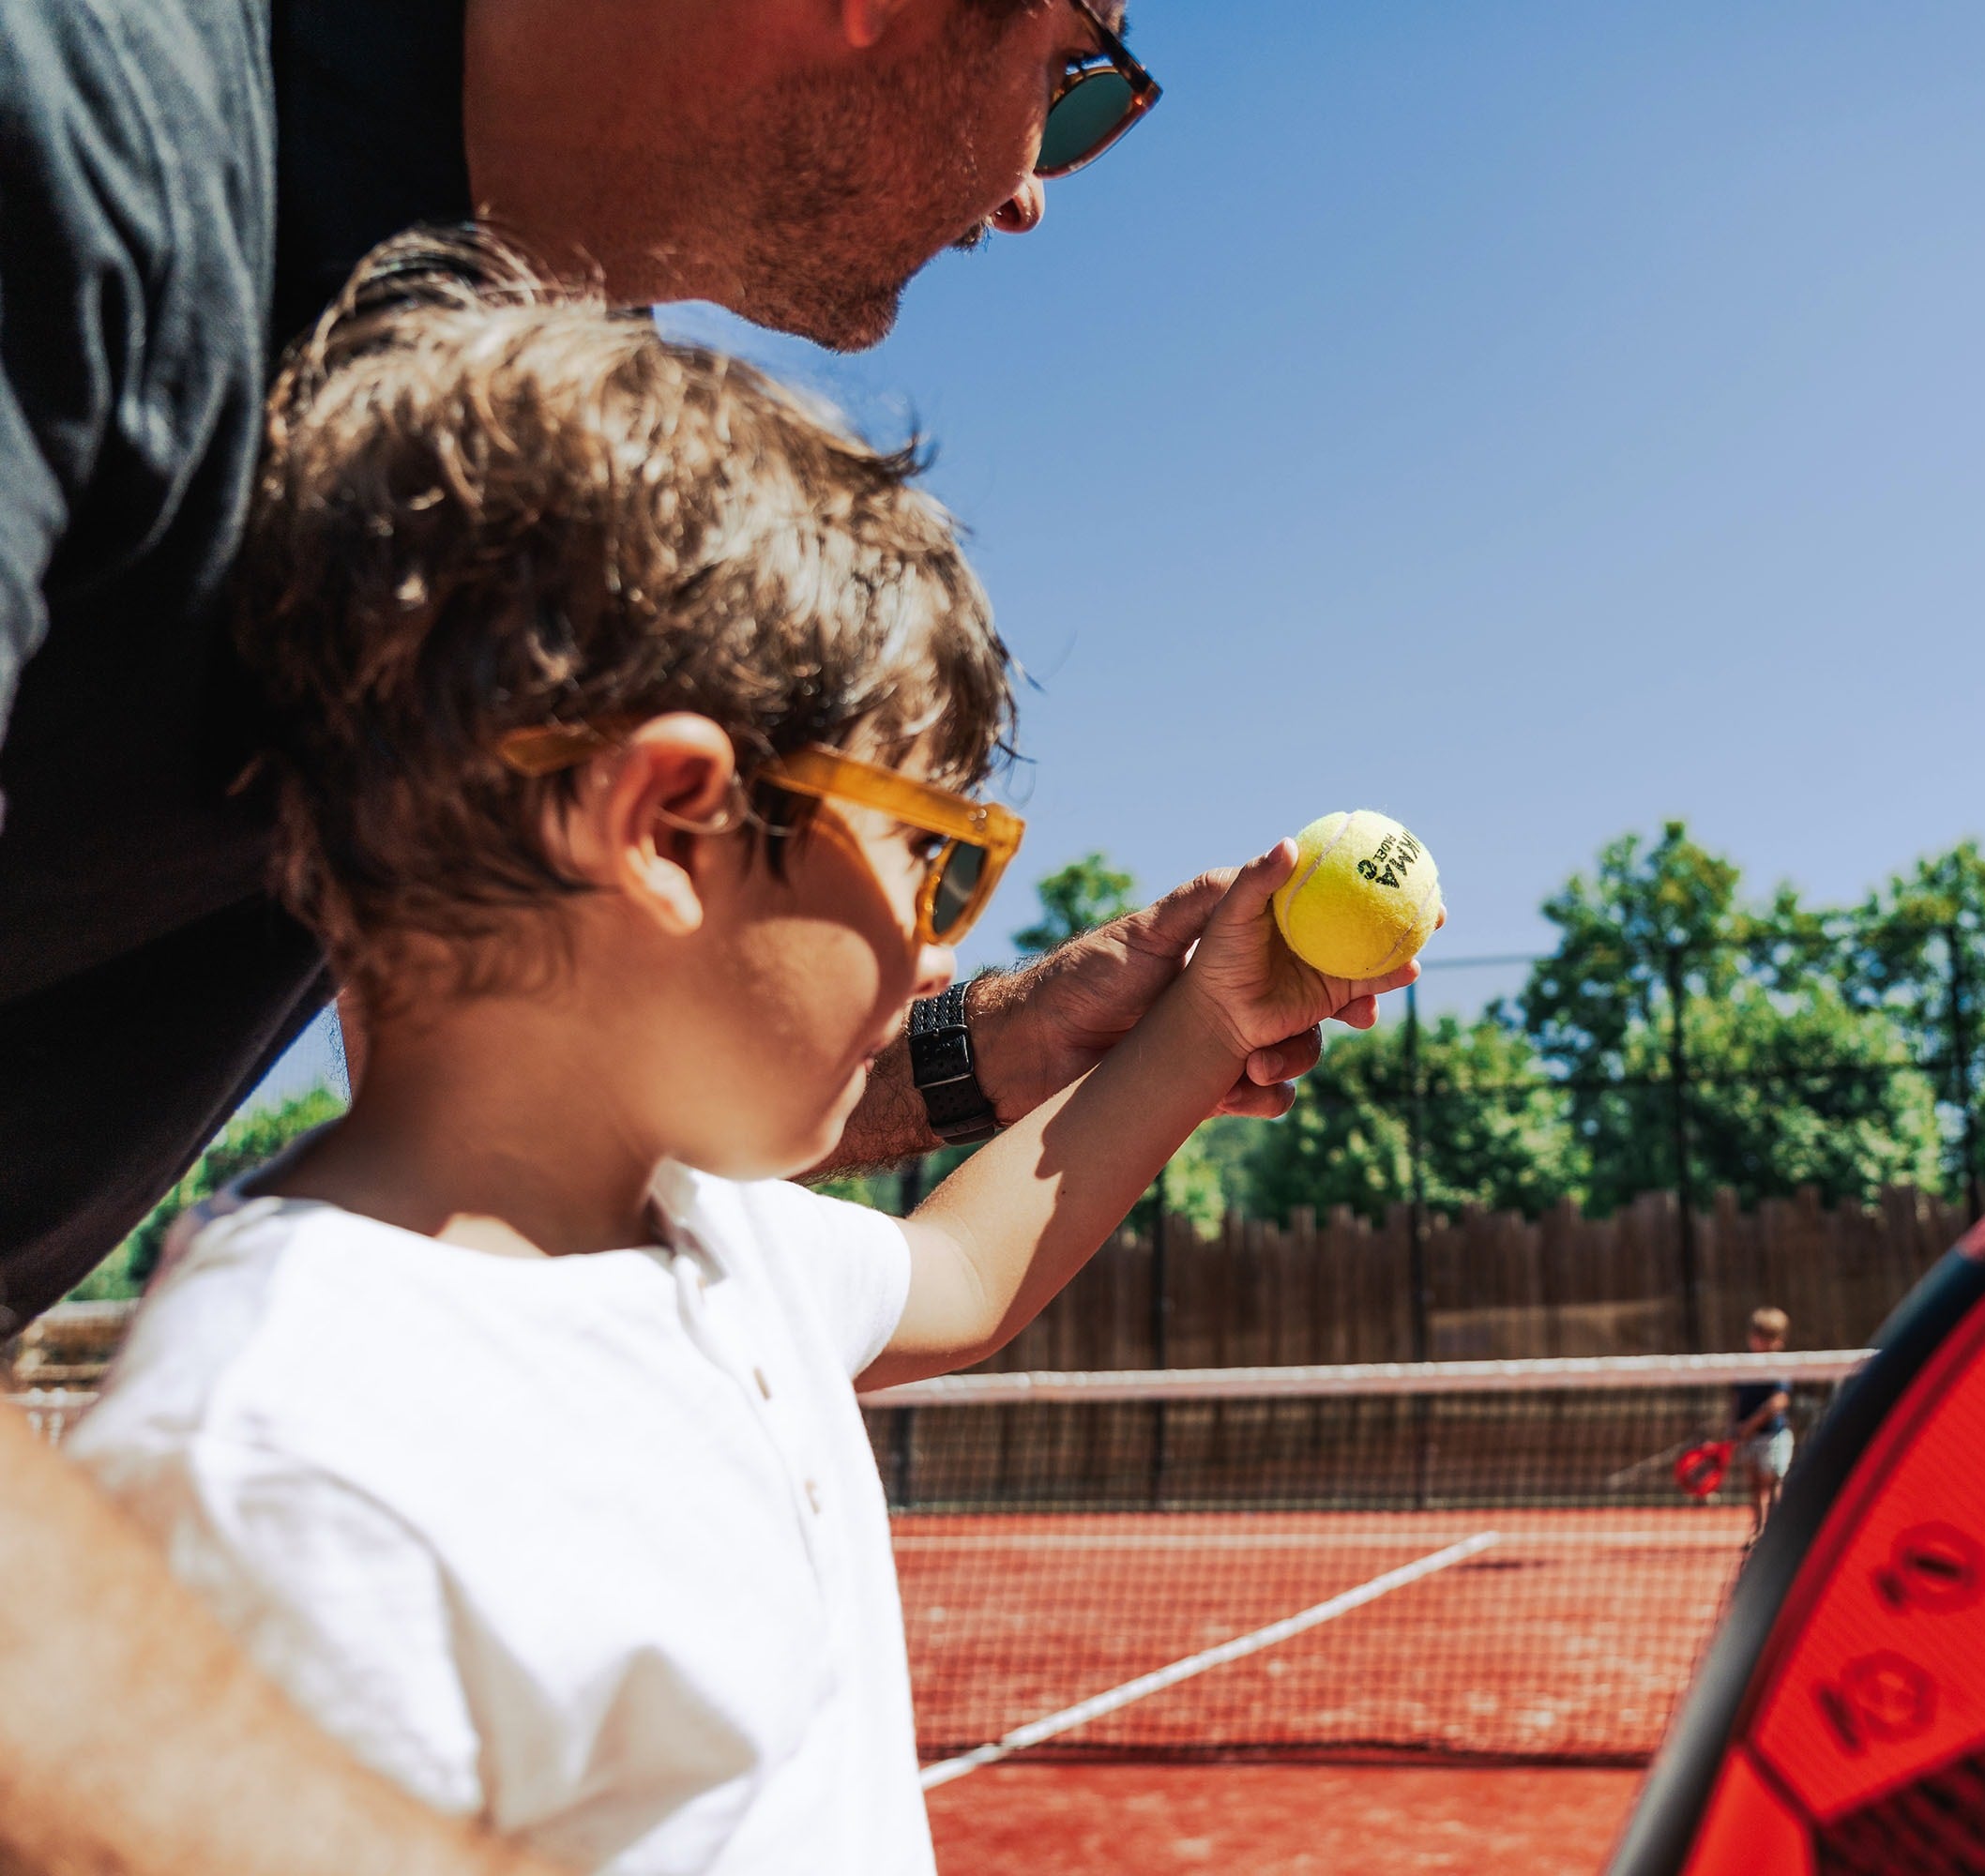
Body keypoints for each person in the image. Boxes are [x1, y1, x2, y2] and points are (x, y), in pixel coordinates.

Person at [0, 3, 1330, 1869]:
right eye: (1082, 64)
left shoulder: (699, 1238)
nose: (1042, 187)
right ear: (669, 816)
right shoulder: (297, 1444)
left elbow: (925, 1262)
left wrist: (1167, 1036)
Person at [1730, 1308, 1796, 1539]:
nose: (1760, 1342)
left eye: (1767, 1337)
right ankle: (1758, 1530)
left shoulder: (1777, 1366)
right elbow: (1737, 1398)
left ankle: (1775, 1531)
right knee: (1755, 1485)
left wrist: (1752, 1424)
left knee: (1773, 1482)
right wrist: (1736, 1428)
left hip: (1773, 1435)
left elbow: (1780, 1400)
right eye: (1757, 1335)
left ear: (1778, 1341)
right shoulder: (1743, 1365)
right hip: (1748, 1438)